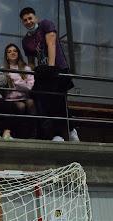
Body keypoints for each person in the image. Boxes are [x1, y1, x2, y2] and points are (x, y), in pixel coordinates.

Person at [20, 7, 79, 142]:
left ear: (36, 18)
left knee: (58, 101)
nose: (28, 21)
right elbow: (31, 62)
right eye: (25, 20)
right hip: (43, 74)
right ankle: (57, 133)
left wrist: (51, 69)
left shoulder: (46, 24)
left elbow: (51, 43)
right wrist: (34, 73)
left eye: (30, 18)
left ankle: (66, 132)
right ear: (22, 23)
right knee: (41, 100)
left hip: (57, 69)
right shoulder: (26, 41)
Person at [3, 43, 37, 138]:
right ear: (6, 56)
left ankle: (33, 133)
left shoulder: (26, 68)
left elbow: (30, 87)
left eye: (15, 51)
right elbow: (4, 88)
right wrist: (22, 82)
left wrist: (15, 82)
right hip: (10, 99)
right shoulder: (4, 69)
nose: (12, 53)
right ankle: (19, 134)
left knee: (31, 102)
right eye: (9, 52)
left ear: (18, 53)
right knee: (21, 106)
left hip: (25, 97)